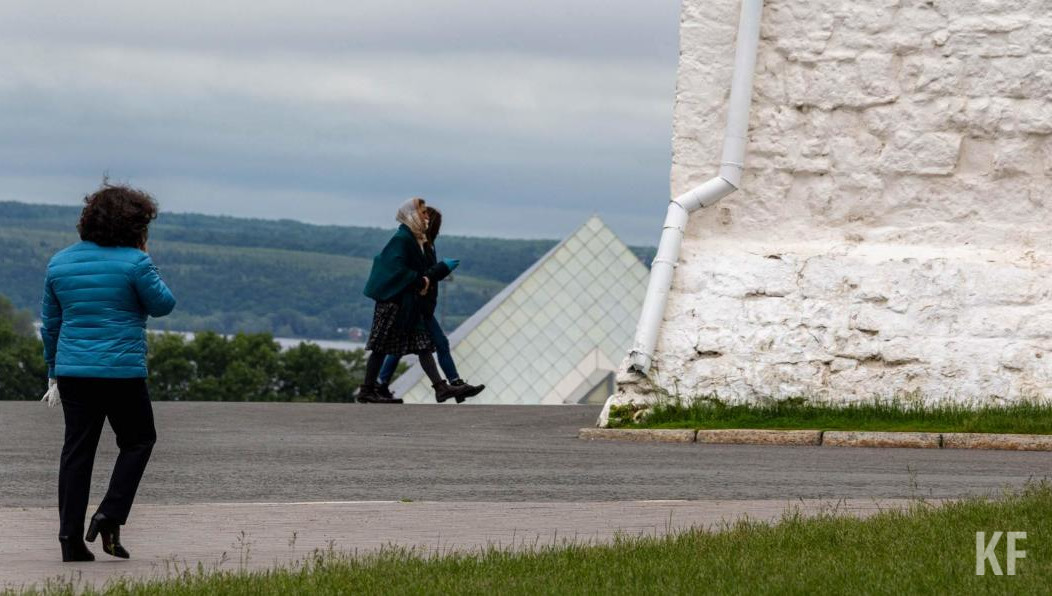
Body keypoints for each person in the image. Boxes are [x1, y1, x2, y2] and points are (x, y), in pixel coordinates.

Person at [41, 183, 176, 562]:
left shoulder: (60, 263)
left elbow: (50, 325)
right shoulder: (136, 263)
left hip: (73, 372)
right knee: (138, 440)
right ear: (134, 226)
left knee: (77, 452)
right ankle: (109, 513)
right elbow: (163, 304)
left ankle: (69, 539)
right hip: (121, 372)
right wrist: (145, 257)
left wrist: (53, 371)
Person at [376, 206, 484, 403]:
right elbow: (422, 276)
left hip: (421, 306)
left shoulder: (426, 244)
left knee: (407, 346)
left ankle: (382, 384)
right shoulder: (420, 245)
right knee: (429, 345)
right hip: (416, 306)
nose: (437, 229)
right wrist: (442, 268)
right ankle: (451, 384)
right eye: (436, 225)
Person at [357, 198, 457, 404]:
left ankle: (440, 388)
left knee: (422, 345)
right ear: (412, 214)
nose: (426, 216)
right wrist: (422, 280)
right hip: (392, 302)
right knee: (381, 347)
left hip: (406, 303)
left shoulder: (414, 238)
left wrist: (426, 277)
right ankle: (367, 390)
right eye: (423, 212)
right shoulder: (402, 239)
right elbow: (394, 268)